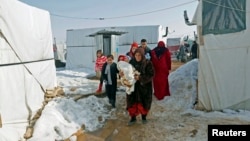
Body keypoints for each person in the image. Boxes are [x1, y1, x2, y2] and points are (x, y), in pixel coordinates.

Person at [120, 48, 154, 125]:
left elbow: (151, 75)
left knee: (144, 103)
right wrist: (122, 74)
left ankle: (144, 117)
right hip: (133, 88)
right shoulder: (131, 63)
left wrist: (140, 78)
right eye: (136, 55)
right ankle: (133, 118)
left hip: (144, 88)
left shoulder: (148, 63)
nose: (137, 57)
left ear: (142, 55)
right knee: (132, 103)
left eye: (139, 55)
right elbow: (125, 73)